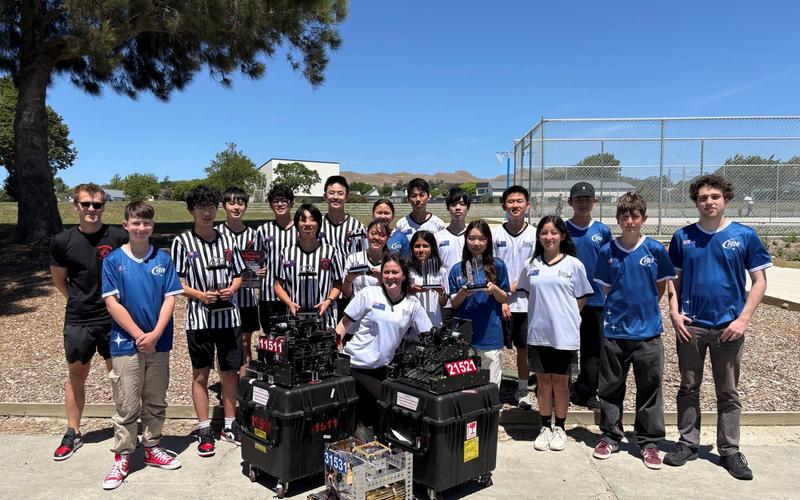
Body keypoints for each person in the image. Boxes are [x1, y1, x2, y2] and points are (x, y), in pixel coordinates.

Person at [664, 175, 771, 480]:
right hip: (692, 327)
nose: (708, 202)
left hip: (729, 328)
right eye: (702, 197)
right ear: (695, 202)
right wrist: (674, 312)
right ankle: (687, 442)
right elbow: (674, 279)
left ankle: (730, 450)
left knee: (728, 391)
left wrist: (742, 319)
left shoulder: (745, 236)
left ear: (726, 198)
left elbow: (760, 282)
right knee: (688, 386)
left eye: (714, 196)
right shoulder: (683, 237)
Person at [100, 202, 183, 489]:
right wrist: (139, 335)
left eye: (146, 223)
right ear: (125, 225)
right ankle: (122, 456)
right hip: (126, 343)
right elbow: (112, 302)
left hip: (159, 343)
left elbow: (170, 298)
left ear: (152, 226)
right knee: (126, 401)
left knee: (156, 398)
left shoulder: (162, 259)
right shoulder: (113, 261)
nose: (141, 228)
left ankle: (151, 447)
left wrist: (156, 333)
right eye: (135, 222)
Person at [591, 192, 676, 470]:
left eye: (634, 216)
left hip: (648, 333)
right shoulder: (608, 252)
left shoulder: (654, 250)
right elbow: (607, 289)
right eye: (624, 216)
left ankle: (648, 442)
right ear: (617, 219)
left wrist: (645, 310)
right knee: (611, 387)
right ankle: (610, 435)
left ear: (644, 219)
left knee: (650, 388)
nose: (629, 221)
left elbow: (661, 287)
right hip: (616, 333)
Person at [50, 183, 128, 461]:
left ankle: (126, 428)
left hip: (113, 318)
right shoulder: (63, 241)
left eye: (97, 205)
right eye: (86, 204)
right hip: (79, 319)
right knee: (76, 376)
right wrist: (79, 300)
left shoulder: (117, 236)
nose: (92, 210)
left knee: (119, 376)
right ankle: (73, 432)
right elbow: (60, 280)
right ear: (76, 207)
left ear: (104, 206)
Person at [171, 185, 245, 456]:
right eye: (201, 207)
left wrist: (233, 288)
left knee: (229, 372)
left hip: (228, 316)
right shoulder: (182, 242)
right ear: (191, 210)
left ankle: (229, 423)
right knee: (200, 374)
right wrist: (199, 294)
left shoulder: (227, 240)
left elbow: (239, 274)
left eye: (211, 207)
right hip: (199, 318)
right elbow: (176, 282)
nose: (206, 212)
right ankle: (204, 427)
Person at [517, 216, 593, 452]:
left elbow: (581, 297)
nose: (548, 237)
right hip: (539, 334)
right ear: (539, 237)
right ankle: (544, 426)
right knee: (542, 381)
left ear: (562, 236)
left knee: (560, 382)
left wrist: (566, 316)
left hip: (564, 336)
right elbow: (528, 293)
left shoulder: (573, 265)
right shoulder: (532, 265)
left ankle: (559, 426)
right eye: (544, 233)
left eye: (553, 232)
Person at [336, 254, 432, 438]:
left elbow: (429, 335)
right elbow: (342, 326)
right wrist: (336, 350)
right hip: (356, 365)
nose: (390, 276)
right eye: (386, 272)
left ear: (404, 275)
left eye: (395, 272)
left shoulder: (413, 305)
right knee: (388, 403)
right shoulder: (369, 294)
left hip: (383, 368)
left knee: (396, 407)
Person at [566, 182, 613, 412]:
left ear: (595, 202)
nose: (583, 203)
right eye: (578, 199)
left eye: (587, 199)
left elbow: (610, 263)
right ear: (570, 202)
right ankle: (562, 387)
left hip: (596, 300)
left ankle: (587, 390)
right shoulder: (563, 229)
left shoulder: (602, 231)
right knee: (564, 345)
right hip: (568, 298)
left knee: (594, 348)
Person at [492, 185, 537, 409]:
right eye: (511, 202)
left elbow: (536, 267)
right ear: (504, 206)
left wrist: (514, 287)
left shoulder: (535, 233)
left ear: (527, 205)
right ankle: (492, 389)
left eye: (520, 201)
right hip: (499, 301)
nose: (515, 205)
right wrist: (502, 296)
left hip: (525, 302)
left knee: (523, 349)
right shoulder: (495, 234)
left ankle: (522, 389)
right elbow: (490, 268)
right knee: (493, 348)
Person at [449, 220, 510, 386]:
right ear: (466, 240)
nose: (476, 243)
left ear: (488, 241)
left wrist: (494, 290)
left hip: (490, 336)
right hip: (464, 337)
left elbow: (505, 297)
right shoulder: (457, 269)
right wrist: (463, 292)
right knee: (465, 387)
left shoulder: (498, 266)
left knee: (490, 386)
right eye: (472, 238)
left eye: (482, 239)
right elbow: (454, 304)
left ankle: (490, 413)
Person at [216, 187, 262, 377]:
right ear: (224, 206)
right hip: (224, 299)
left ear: (246, 206)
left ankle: (244, 386)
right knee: (225, 345)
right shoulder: (216, 233)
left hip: (247, 298)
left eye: (240, 203)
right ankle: (226, 386)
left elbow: (257, 264)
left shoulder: (254, 234)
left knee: (245, 343)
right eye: (232, 203)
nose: (236, 207)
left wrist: (260, 271)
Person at [274, 203, 343, 329]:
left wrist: (328, 301)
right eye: (303, 220)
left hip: (324, 318)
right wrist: (289, 303)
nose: (307, 224)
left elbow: (338, 284)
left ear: (319, 224)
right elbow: (278, 285)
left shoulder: (330, 251)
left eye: (312, 219)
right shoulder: (286, 252)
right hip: (295, 318)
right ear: (296, 224)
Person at [318, 175, 366, 320]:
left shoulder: (357, 227)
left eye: (340, 193)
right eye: (331, 193)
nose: (335, 197)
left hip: (350, 289)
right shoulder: (317, 225)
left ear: (346, 196)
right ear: (325, 196)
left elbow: (363, 257)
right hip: (324, 289)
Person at [256, 184, 296, 336]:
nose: (279, 204)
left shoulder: (300, 229)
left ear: (291, 203)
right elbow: (254, 261)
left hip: (294, 294)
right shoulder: (263, 230)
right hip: (268, 293)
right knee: (271, 337)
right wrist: (256, 271)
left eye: (283, 200)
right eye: (275, 201)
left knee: (293, 338)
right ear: (271, 205)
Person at [435, 187, 471, 323]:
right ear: (447, 208)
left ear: (467, 208)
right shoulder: (438, 237)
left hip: (469, 297)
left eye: (462, 204)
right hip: (447, 302)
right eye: (453, 204)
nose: (457, 208)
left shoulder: (473, 236)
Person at [408, 230, 448, 325]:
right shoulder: (407, 270)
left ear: (432, 248)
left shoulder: (441, 271)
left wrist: (441, 293)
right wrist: (412, 290)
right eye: (417, 246)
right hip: (412, 323)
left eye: (425, 246)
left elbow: (443, 303)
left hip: (434, 321)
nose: (421, 250)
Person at [342, 219, 390, 299]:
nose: (377, 238)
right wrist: (348, 279)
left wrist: (382, 278)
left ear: (387, 238)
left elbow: (395, 293)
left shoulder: (391, 261)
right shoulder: (354, 259)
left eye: (382, 235)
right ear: (367, 234)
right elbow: (346, 294)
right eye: (373, 234)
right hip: (357, 308)